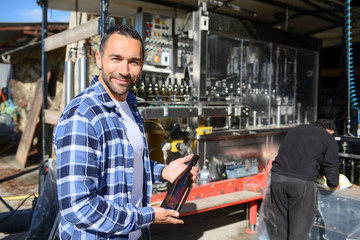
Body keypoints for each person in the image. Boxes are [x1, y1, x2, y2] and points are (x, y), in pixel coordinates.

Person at [53, 25, 198, 240]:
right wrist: (146, 216)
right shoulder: (83, 115)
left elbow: (124, 162)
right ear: (99, 59)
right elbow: (79, 207)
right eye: (116, 59)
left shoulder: (129, 105)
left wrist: (164, 171)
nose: (124, 70)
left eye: (133, 62)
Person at [263, 119, 340, 240]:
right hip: (302, 185)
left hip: (277, 178)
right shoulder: (328, 137)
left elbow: (298, 153)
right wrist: (333, 184)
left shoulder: (297, 130)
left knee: (281, 230)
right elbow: (331, 166)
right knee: (298, 233)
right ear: (330, 131)